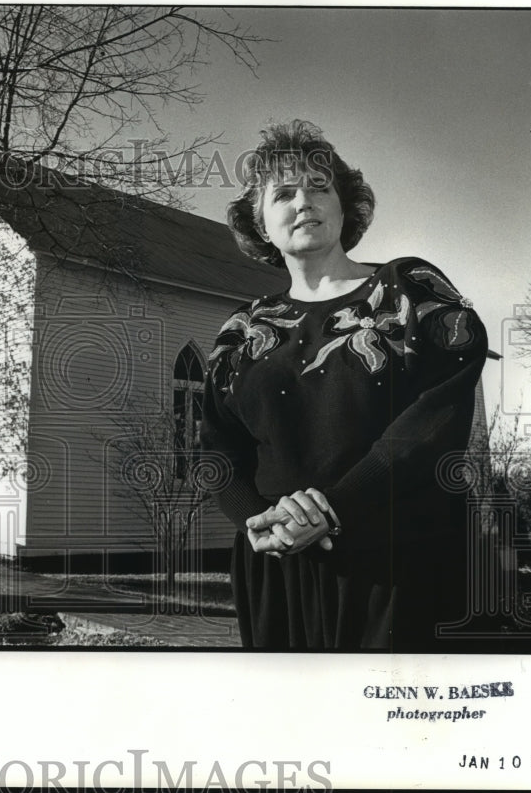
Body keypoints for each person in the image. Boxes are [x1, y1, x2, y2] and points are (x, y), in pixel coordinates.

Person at [200, 120, 488, 651]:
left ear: (344, 206)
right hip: (276, 568)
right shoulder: (243, 329)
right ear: (261, 223)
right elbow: (218, 446)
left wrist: (334, 508)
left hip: (400, 559)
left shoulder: (408, 290)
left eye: (319, 186)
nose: (302, 201)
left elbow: (435, 417)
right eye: (283, 193)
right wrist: (252, 519)